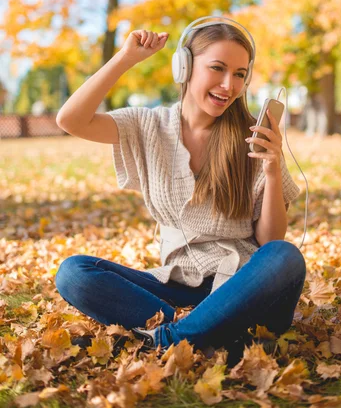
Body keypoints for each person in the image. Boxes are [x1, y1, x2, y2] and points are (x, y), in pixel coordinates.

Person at [55, 20, 306, 366]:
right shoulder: (148, 125)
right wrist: (125, 58)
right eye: (217, 68)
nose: (227, 85)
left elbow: (270, 240)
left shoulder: (252, 136)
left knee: (284, 256)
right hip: (176, 286)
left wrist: (273, 169)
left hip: (244, 286)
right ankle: (207, 335)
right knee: (74, 271)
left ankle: (174, 339)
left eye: (239, 74)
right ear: (184, 67)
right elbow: (71, 120)